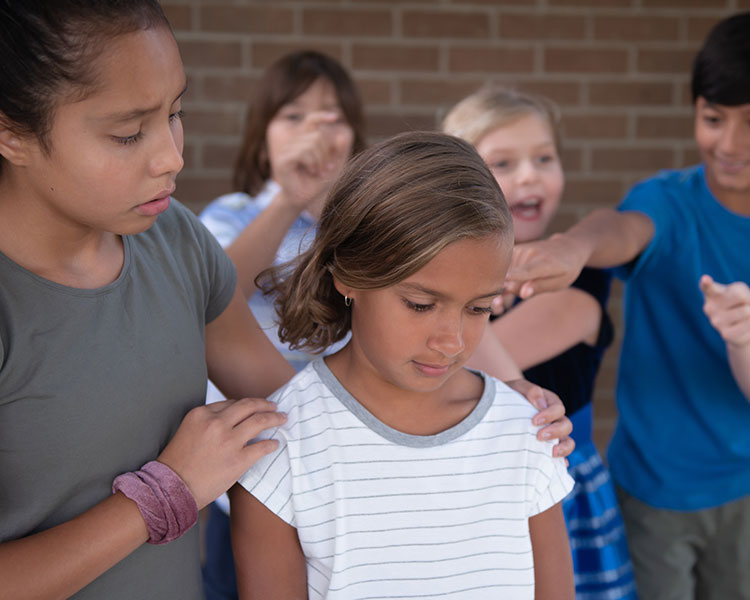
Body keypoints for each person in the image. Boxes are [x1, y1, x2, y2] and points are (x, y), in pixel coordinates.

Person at [0, 2, 295, 598]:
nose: (172, 157)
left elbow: (293, 413)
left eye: (175, 113)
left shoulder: (176, 239)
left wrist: (481, 401)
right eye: (128, 133)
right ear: (11, 134)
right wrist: (167, 492)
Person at [229, 131, 576, 600]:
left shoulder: (526, 430)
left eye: (479, 308)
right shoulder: (281, 449)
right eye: (419, 304)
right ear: (349, 275)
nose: (452, 340)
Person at [503, 12, 750, 600]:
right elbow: (620, 228)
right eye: (713, 119)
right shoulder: (667, 200)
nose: (731, 144)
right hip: (651, 488)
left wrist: (742, 339)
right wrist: (571, 248)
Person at [443, 87, 637, 599]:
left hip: (560, 485)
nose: (529, 174)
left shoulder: (581, 277)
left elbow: (452, 355)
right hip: (466, 489)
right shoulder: (453, 282)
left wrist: (469, 304)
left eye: (544, 158)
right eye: (503, 163)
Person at [198, 49, 366, 599]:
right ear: (261, 135)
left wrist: (332, 207)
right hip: (247, 465)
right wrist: (290, 197)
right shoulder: (233, 212)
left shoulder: (363, 225)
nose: (314, 131)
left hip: (343, 463)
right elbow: (212, 295)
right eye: (293, 116)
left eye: (333, 117)